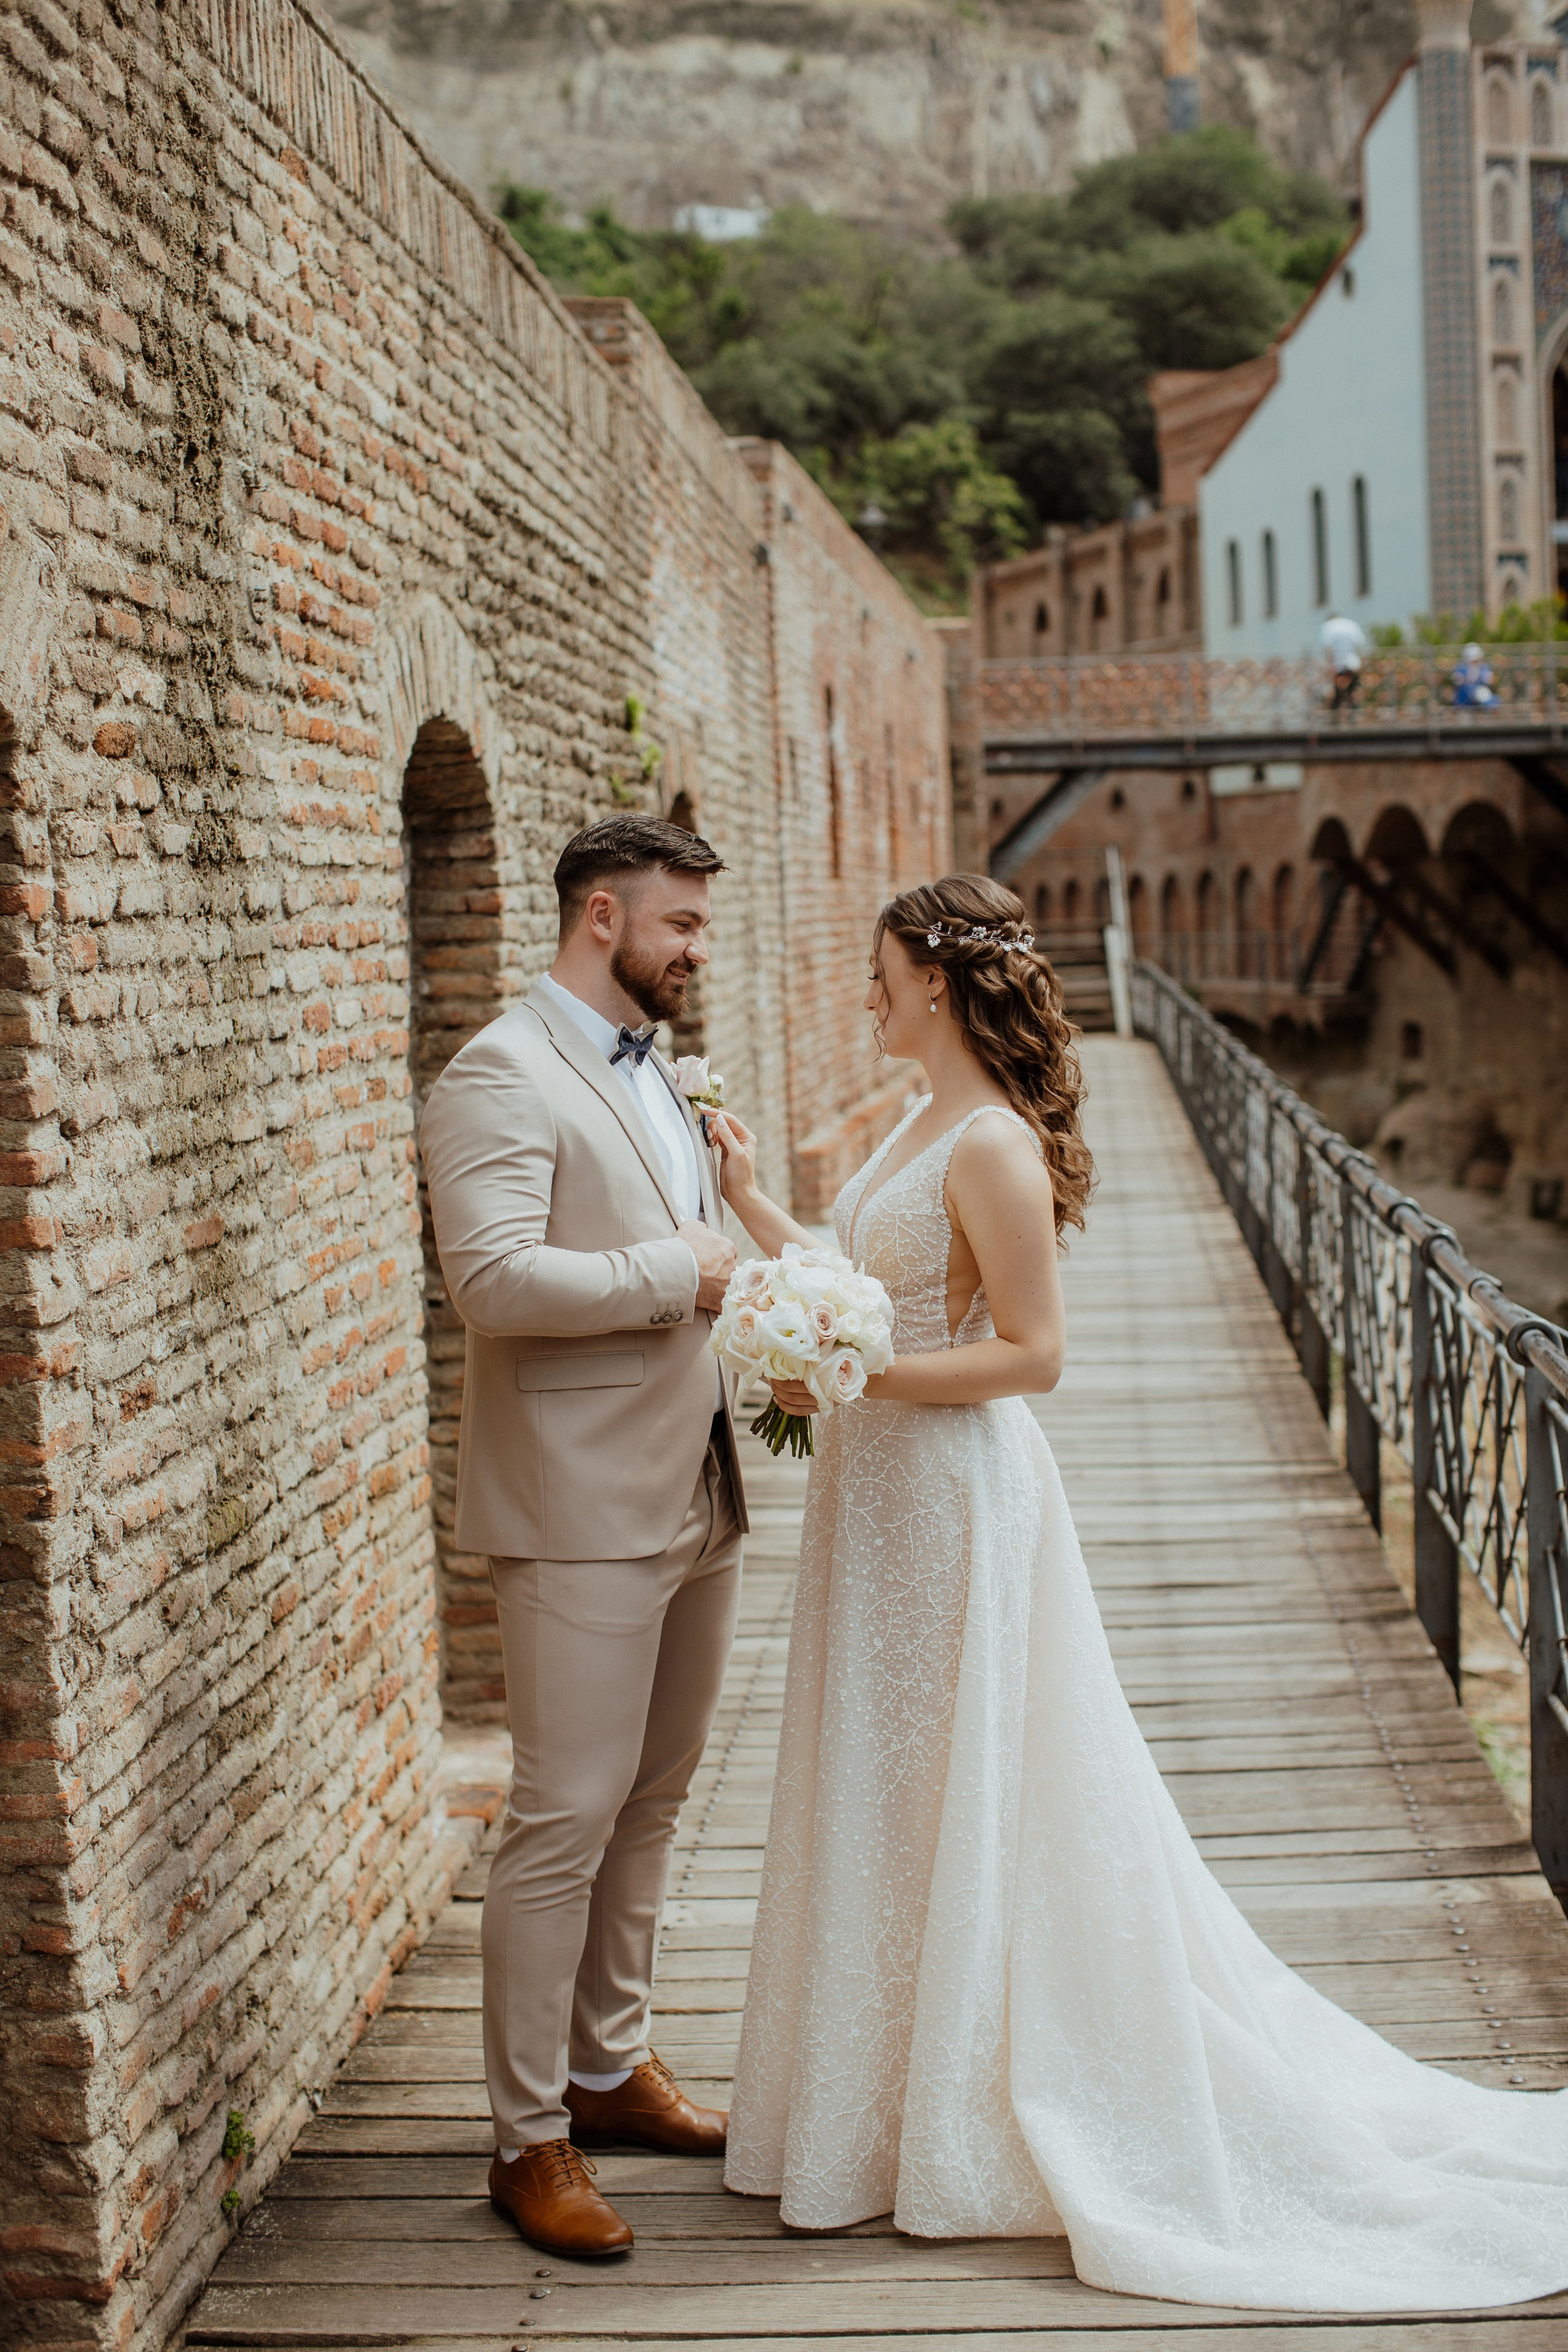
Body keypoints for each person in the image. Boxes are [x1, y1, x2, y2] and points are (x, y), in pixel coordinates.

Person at [706, 870, 1568, 2313]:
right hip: (878, 1498)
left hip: (954, 1492)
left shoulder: (984, 1140)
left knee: (969, 1777)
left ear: (933, 978)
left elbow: (1031, 1351)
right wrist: (750, 1209)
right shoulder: (915, 1118)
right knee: (888, 1776)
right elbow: (862, 1278)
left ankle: (970, 2105)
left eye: (877, 974)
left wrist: (849, 1373)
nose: (863, 995)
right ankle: (873, 2101)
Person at [419, 815, 747, 2260]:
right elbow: (491, 1281)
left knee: (658, 1791)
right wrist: (676, 1266)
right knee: (562, 1814)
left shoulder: (654, 1066)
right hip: (575, 1504)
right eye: (679, 925)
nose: (695, 951)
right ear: (600, 914)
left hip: (699, 1485)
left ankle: (607, 2066)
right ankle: (525, 2135)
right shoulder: (494, 1071)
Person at [1318, 609, 1367, 710]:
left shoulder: (1328, 626)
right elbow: (1360, 645)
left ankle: (1337, 717)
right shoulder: (1352, 624)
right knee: (1352, 691)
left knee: (1338, 694)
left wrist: (1330, 665)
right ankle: (1353, 714)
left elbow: (1329, 648)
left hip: (1338, 665)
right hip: (1353, 664)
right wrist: (1361, 663)